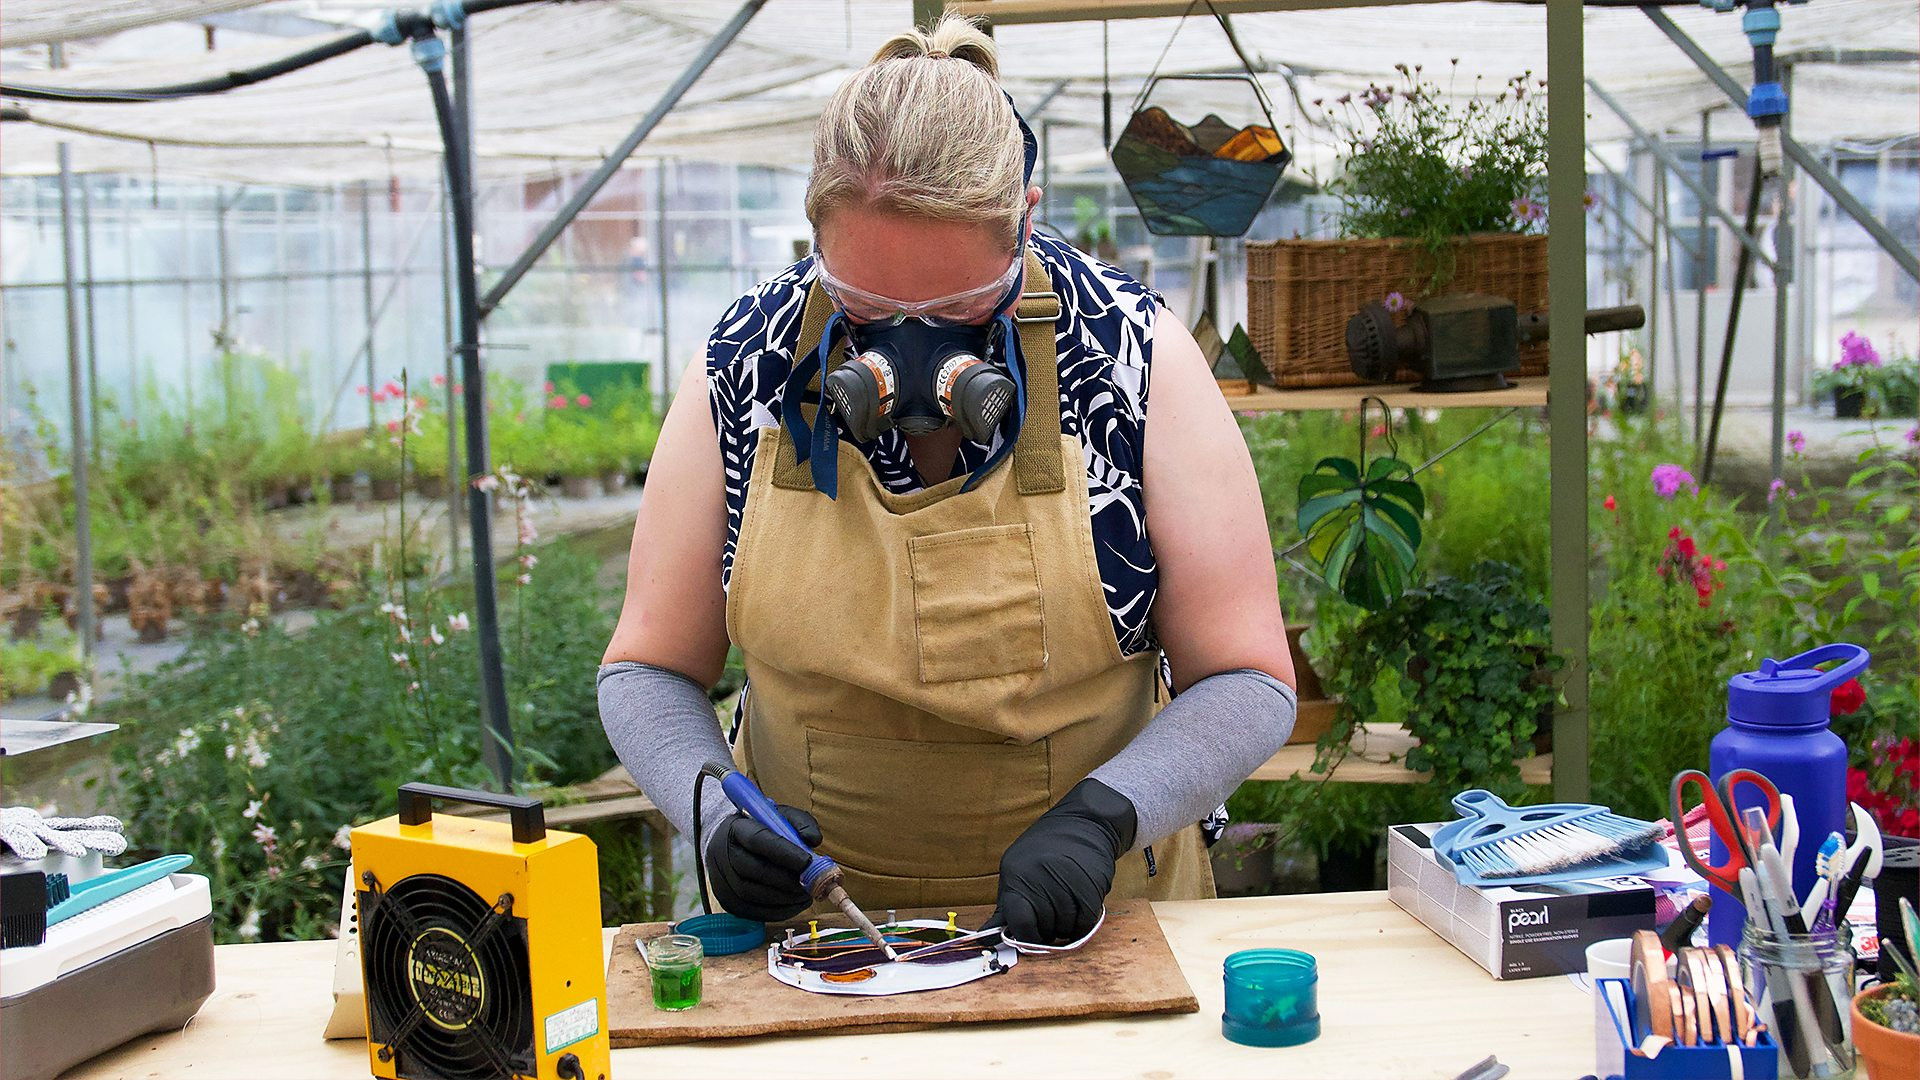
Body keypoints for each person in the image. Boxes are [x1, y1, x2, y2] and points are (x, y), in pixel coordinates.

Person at [599, 15, 1296, 947]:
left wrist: (1108, 816)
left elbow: (1249, 677)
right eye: (866, 307)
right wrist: (713, 813)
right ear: (815, 239)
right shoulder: (749, 363)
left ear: (1026, 220)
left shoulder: (1130, 357)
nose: (910, 345)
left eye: (959, 307)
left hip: (1093, 928)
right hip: (816, 936)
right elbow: (646, 667)